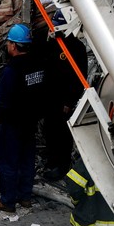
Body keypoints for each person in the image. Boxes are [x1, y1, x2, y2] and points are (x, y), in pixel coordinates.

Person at [0, 23, 45, 213]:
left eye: (9, 43)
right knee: (26, 159)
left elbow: (2, 100)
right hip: (31, 120)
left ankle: (8, 201)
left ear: (14, 45)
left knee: (8, 161)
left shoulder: (11, 70)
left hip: (12, 122)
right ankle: (25, 196)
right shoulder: (37, 63)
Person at [40, 13, 88, 181]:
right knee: (50, 131)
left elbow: (80, 78)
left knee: (62, 135)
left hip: (63, 102)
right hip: (50, 98)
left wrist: (70, 101)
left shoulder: (76, 48)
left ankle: (62, 166)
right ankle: (52, 161)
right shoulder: (53, 44)